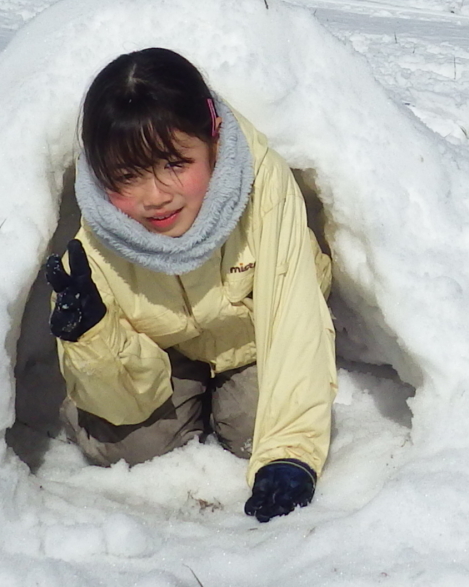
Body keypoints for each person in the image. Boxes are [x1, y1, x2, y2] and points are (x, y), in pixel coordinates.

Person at [40, 48, 333, 522]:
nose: (156, 196)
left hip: (253, 340)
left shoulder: (262, 189)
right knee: (134, 447)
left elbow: (292, 317)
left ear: (213, 140)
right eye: (128, 175)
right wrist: (91, 340)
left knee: (257, 428)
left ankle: (230, 404)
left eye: (175, 163)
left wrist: (291, 454)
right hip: (166, 353)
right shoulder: (95, 238)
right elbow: (114, 396)